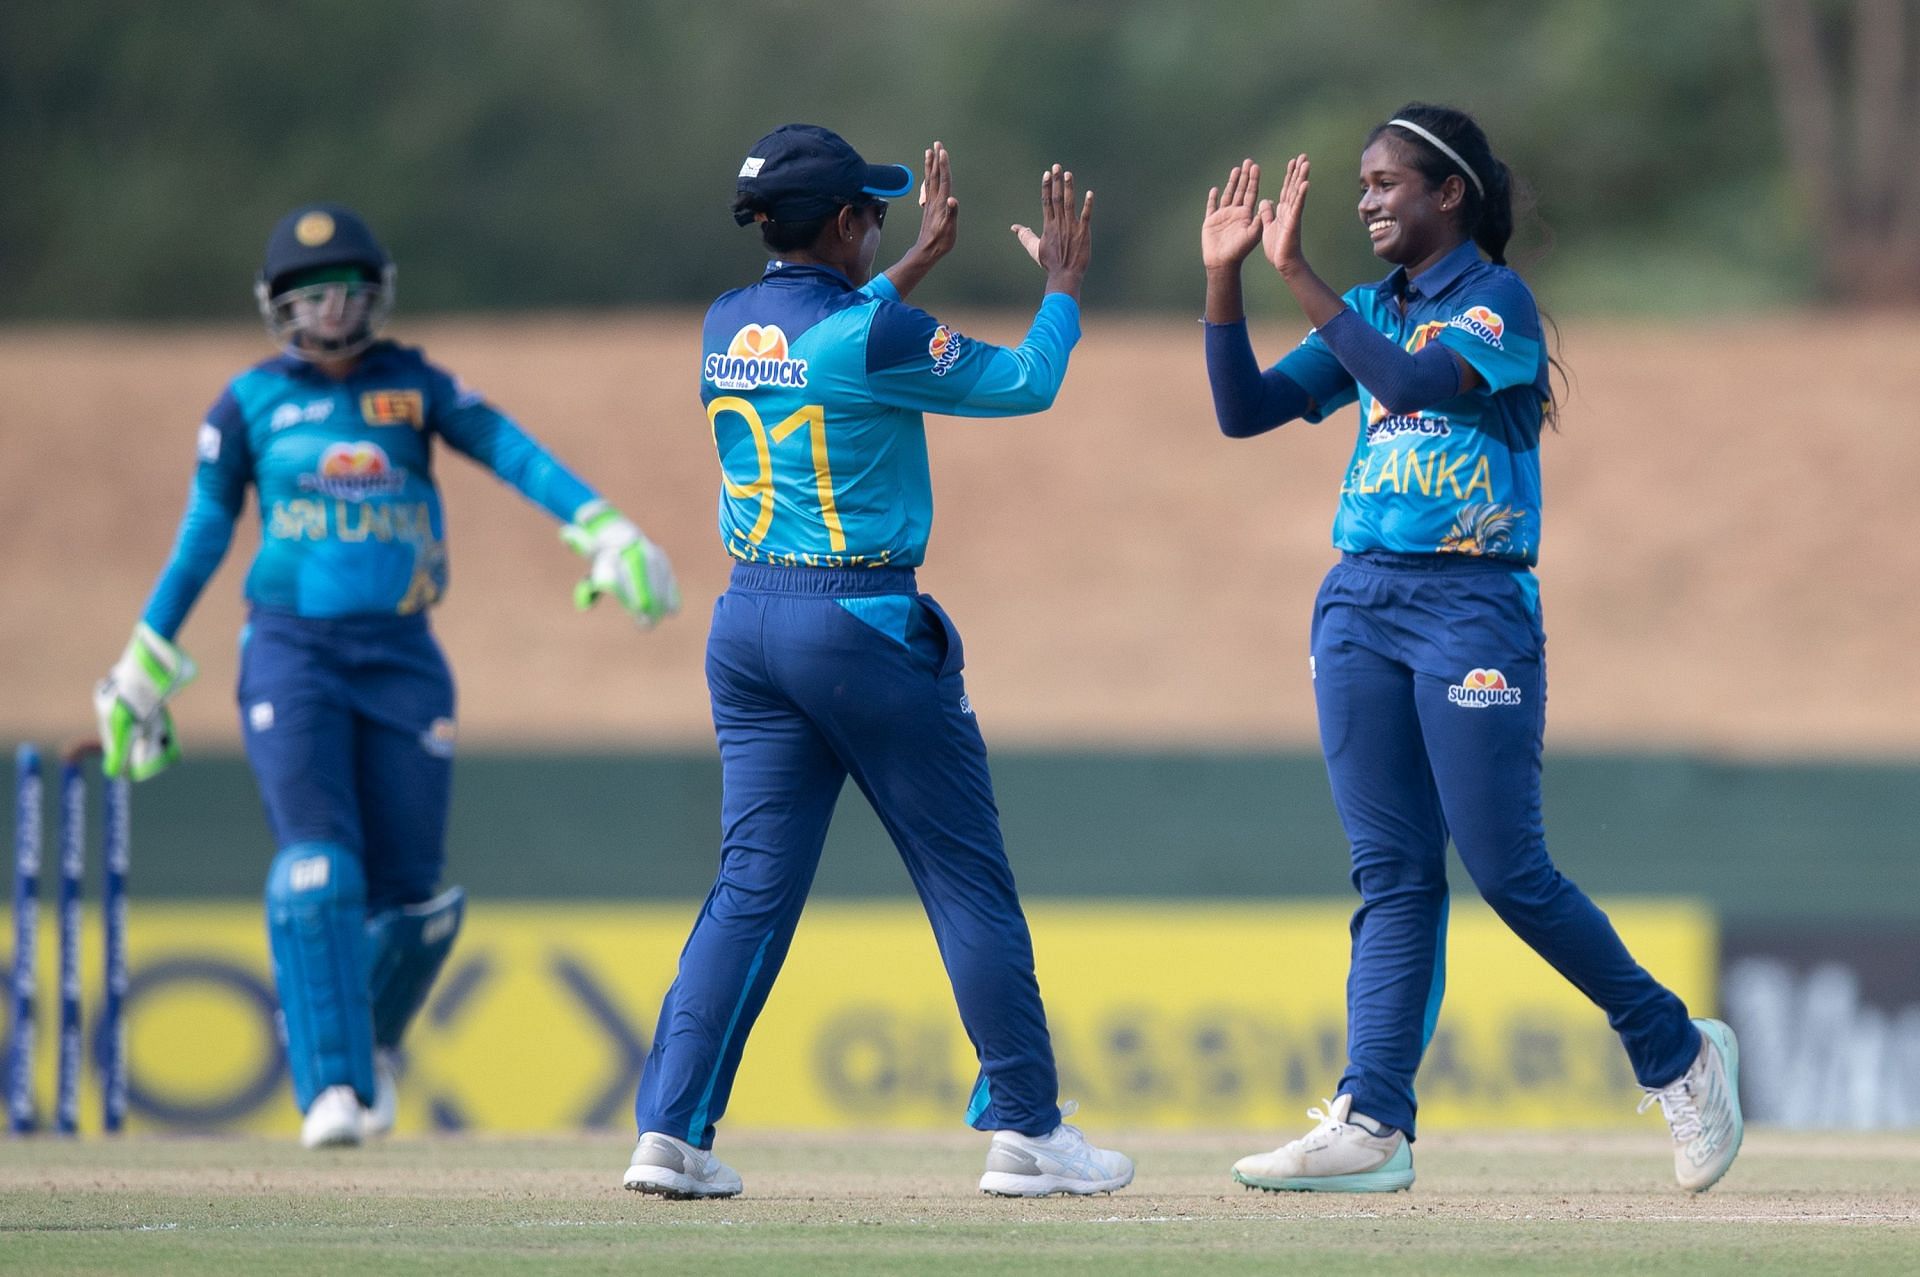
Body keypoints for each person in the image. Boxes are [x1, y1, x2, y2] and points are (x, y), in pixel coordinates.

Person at [1199, 104, 1742, 1193]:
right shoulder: (1367, 308)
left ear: (1449, 194)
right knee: (1392, 873)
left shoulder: (1496, 303)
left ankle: (1678, 1052)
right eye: (1360, 184)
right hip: (1358, 603)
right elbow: (1244, 409)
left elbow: (1405, 385)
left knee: (1508, 869)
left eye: (1388, 182)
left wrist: (1294, 269)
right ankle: (1373, 1123)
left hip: (1472, 607)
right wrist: (1226, 283)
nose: (1366, 201)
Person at [92, 203, 681, 1148]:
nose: (330, 313)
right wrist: (142, 660)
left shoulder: (414, 386)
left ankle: (357, 1045)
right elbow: (203, 535)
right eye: (310, 296)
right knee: (320, 866)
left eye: (348, 294)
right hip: (293, 652)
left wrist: (603, 529)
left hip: (405, 657)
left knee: (419, 907)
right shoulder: (247, 404)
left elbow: (511, 451)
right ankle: (329, 1085)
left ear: (377, 297)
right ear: (278, 306)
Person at [621, 125, 1132, 1200]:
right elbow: (1026, 382)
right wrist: (1065, 290)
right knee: (965, 878)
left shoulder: (727, 322)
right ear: (847, 223)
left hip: (748, 622)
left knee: (749, 888)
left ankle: (668, 1132)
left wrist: (909, 269)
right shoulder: (873, 331)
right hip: (857, 623)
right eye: (877, 215)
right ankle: (1031, 1130)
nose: (886, 228)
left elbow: (829, 337)